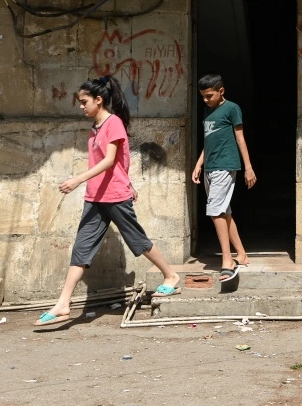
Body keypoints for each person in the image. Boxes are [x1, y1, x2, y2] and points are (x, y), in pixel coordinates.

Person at [35, 76, 181, 327]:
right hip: (95, 197)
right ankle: (63, 304)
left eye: (84, 102)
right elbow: (120, 162)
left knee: (137, 239)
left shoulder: (113, 123)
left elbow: (110, 161)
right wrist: (126, 182)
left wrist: (78, 179)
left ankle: (171, 276)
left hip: (113, 195)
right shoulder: (95, 128)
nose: (81, 106)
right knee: (81, 248)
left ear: (99, 100)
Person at [192, 74, 257, 282]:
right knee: (223, 212)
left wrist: (248, 167)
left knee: (215, 211)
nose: (205, 100)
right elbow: (208, 140)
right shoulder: (207, 111)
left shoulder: (232, 109)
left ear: (221, 91)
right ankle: (242, 254)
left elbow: (240, 138)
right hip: (210, 167)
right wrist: (199, 163)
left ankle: (227, 260)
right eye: (202, 96)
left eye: (209, 96)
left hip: (225, 165)